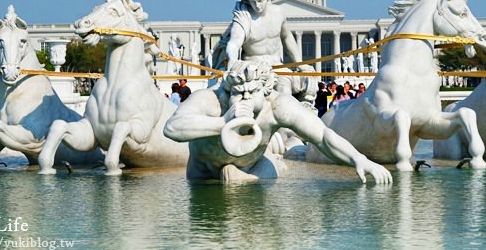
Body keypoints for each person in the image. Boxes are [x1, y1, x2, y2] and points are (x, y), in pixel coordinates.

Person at [163, 60, 391, 184]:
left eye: (252, 92)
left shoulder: (277, 106)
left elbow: (322, 137)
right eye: (238, 92)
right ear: (228, 89)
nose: (245, 98)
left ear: (266, 90)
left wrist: (360, 160)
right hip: (204, 175)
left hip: (252, 168)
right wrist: (223, 122)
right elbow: (172, 128)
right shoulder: (211, 100)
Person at [215, 0, 316, 103]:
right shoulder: (243, 17)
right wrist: (232, 63)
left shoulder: (279, 13)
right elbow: (234, 44)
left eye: (261, 0)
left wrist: (300, 64)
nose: (257, 5)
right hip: (252, 71)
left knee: (284, 92)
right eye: (253, 1)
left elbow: (287, 37)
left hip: (278, 67)